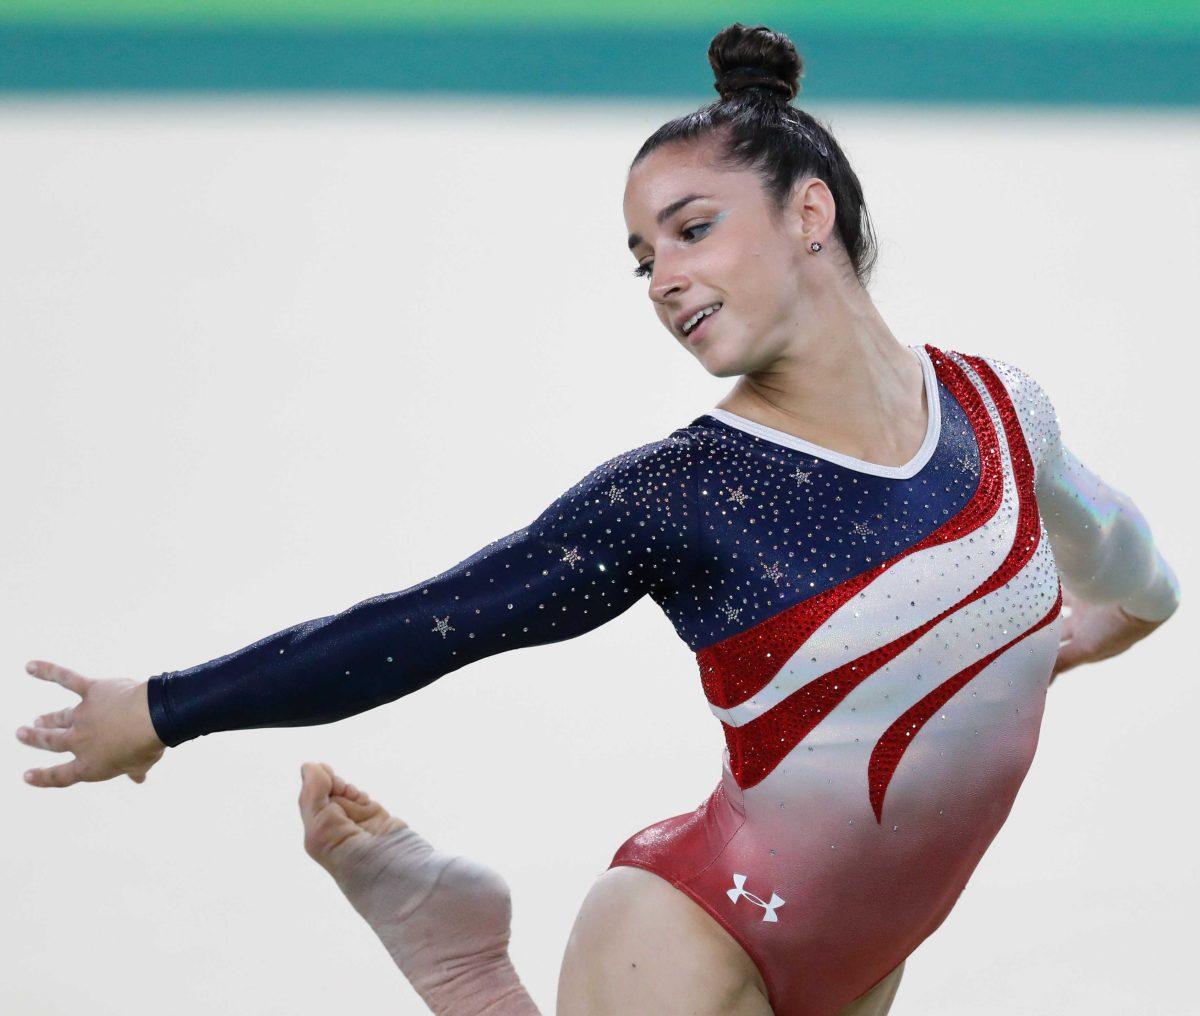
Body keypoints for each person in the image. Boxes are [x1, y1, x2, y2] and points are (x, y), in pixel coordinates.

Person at [17, 21, 1180, 1016]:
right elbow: (438, 620)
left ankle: (451, 935)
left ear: (809, 210)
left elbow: (1135, 576)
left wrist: (1045, 640)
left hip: (865, 958)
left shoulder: (997, 407)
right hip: (697, 920)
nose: (664, 277)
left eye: (691, 229)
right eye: (641, 260)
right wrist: (163, 710)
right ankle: (464, 958)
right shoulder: (678, 494)